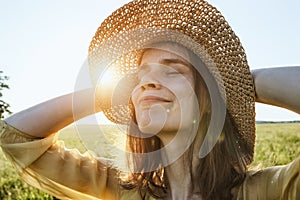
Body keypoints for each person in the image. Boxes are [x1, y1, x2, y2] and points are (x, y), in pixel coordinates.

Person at [1, 0, 299, 199]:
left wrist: (246, 84)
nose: (148, 83)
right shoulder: (119, 186)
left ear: (208, 101)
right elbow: (15, 134)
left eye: (173, 70)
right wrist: (106, 95)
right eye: (141, 77)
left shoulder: (268, 190)